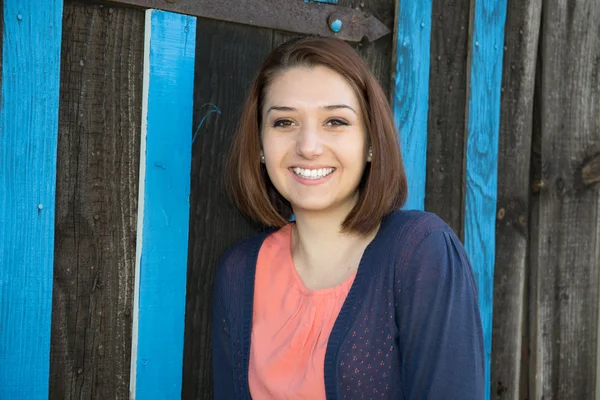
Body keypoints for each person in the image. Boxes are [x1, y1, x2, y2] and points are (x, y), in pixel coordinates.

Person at [211, 36, 484, 399]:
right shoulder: (240, 270)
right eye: (284, 122)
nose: (308, 146)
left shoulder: (420, 252)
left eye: (335, 121)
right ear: (260, 144)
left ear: (371, 141)